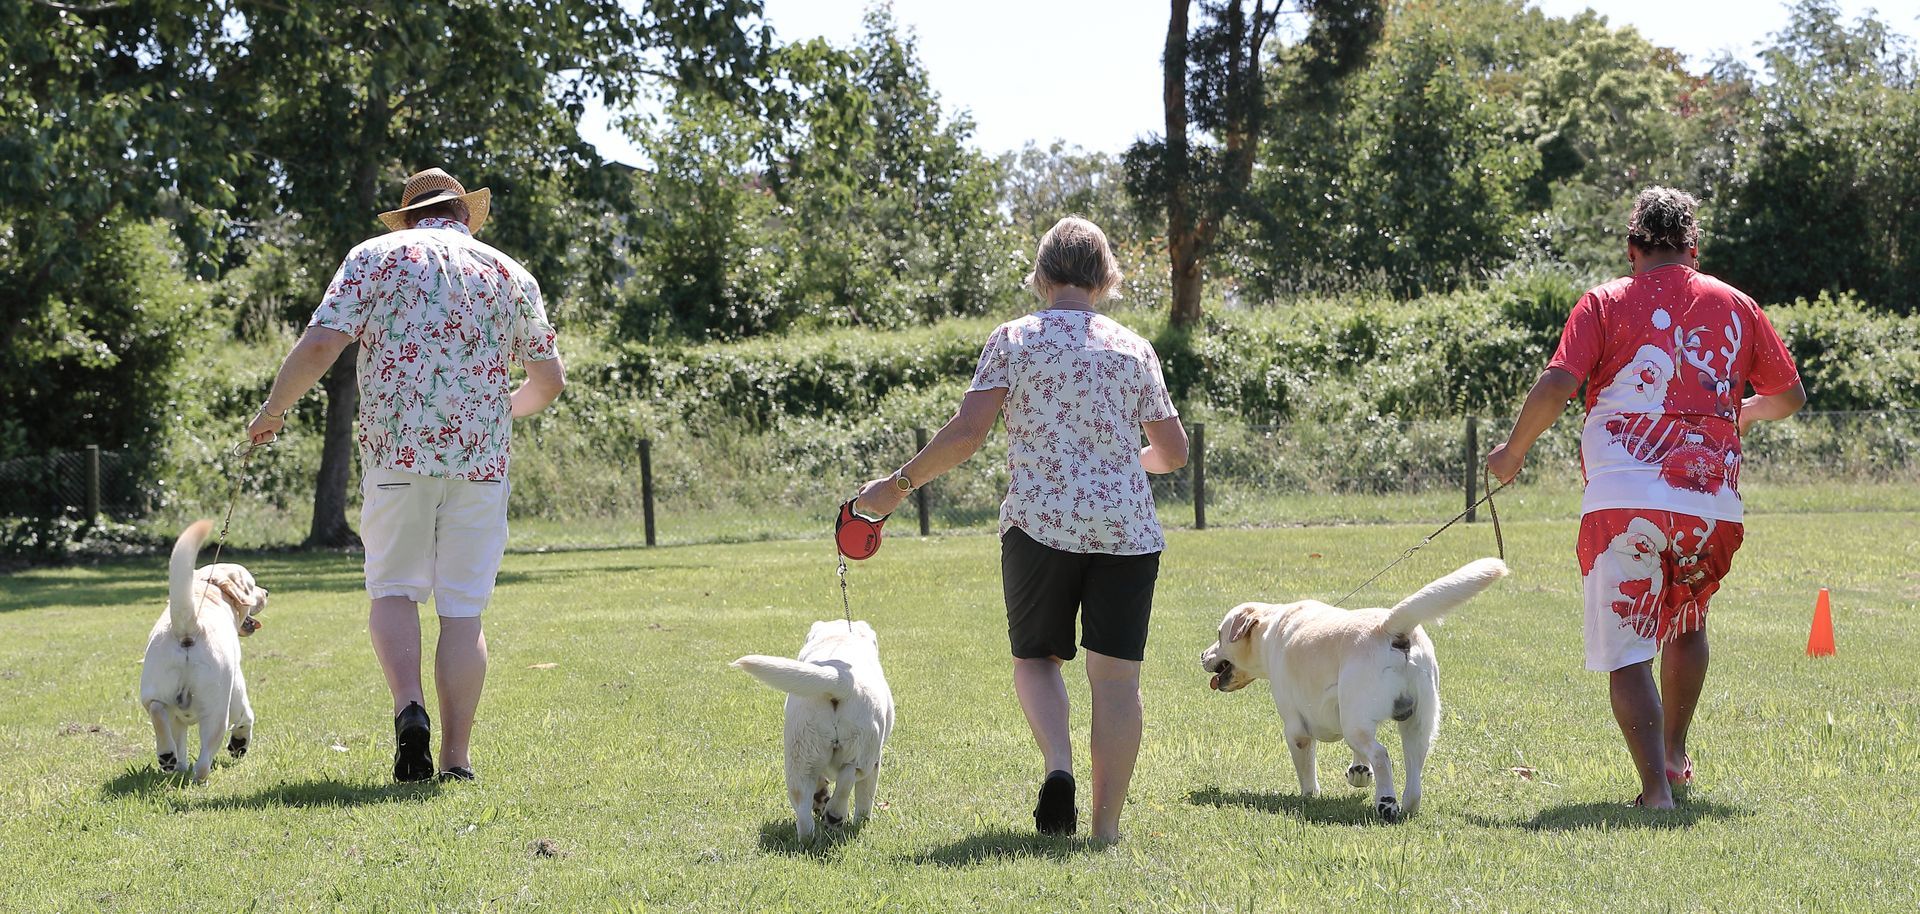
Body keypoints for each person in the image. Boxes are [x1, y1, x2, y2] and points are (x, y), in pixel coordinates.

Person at [854, 216, 1188, 841]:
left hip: (1039, 527)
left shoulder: (1014, 338)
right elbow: (1173, 452)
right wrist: (1121, 465)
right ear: (1106, 277)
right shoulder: (1133, 347)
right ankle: (1106, 832)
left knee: (1036, 659)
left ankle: (1059, 768)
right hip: (1126, 533)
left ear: (1042, 274)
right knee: (1116, 682)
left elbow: (967, 434)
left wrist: (895, 487)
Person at [1486, 186, 1805, 808]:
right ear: (1693, 250)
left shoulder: (1604, 302)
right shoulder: (1738, 306)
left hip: (1624, 501)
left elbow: (1558, 382)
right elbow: (1790, 396)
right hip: (1711, 505)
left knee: (1628, 648)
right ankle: (1675, 755)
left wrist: (1513, 451)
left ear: (1633, 249)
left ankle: (1654, 791)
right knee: (1687, 622)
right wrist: (1743, 412)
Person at [246, 168, 566, 783]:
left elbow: (320, 344)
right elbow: (548, 381)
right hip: (480, 464)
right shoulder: (508, 272)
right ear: (466, 216)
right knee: (463, 611)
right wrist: (497, 414)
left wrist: (274, 411)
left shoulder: (374, 257)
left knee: (393, 591)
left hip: (397, 457)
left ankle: (408, 709)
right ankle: (455, 759)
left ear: (411, 217)